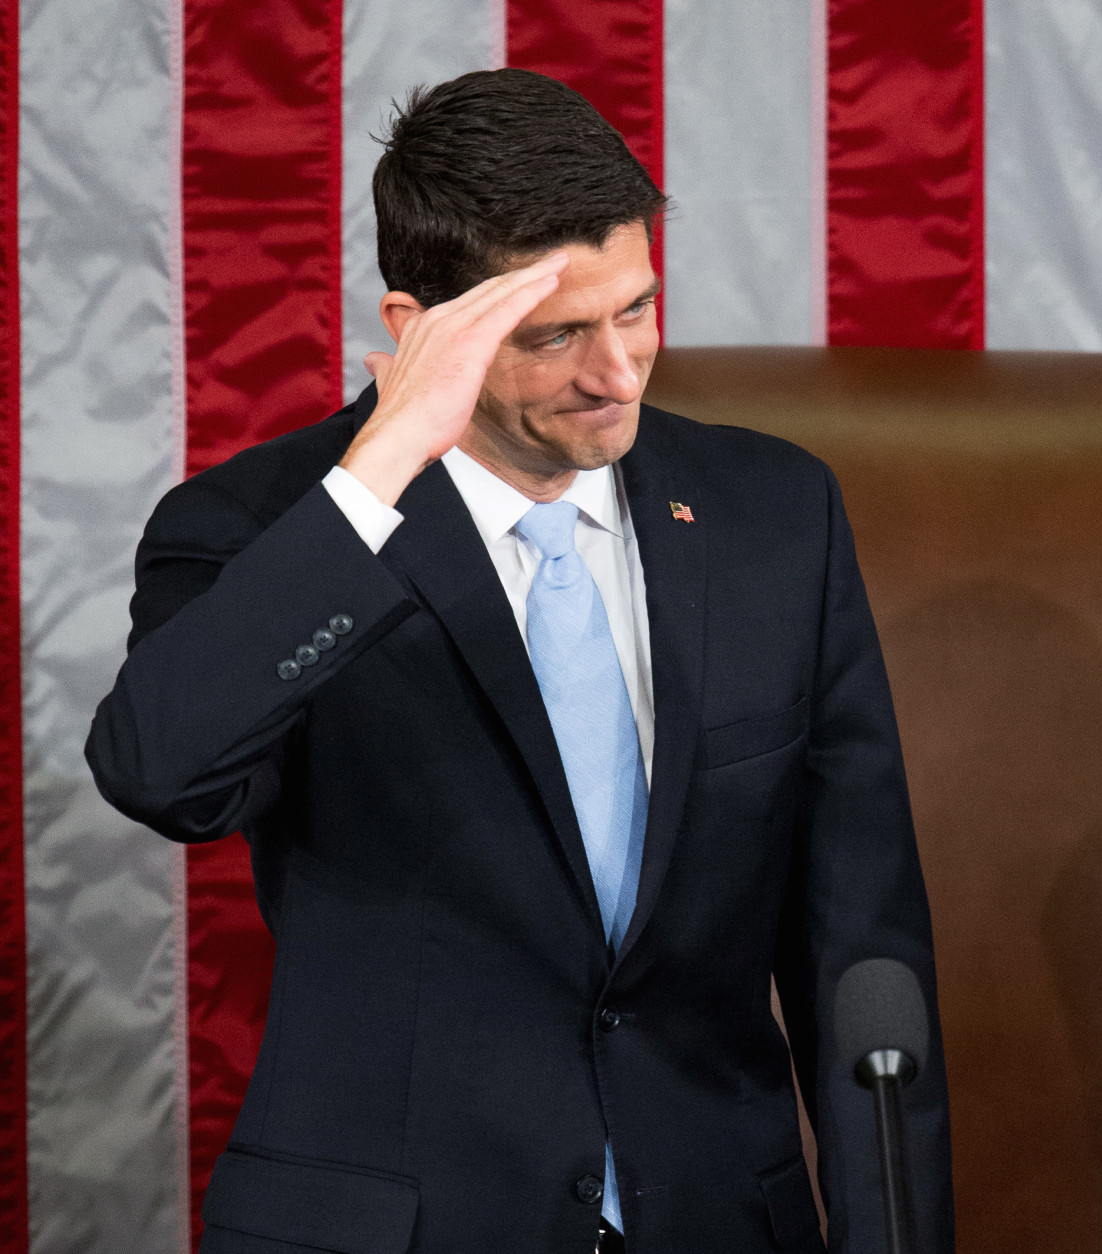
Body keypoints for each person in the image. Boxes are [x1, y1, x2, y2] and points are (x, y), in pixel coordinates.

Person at [87, 68, 952, 1254]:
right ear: (418, 329)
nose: (616, 373)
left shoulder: (773, 517)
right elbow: (158, 770)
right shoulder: (259, 530)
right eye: (553, 335)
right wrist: (377, 474)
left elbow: (861, 948)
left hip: (714, 1220)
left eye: (636, 310)